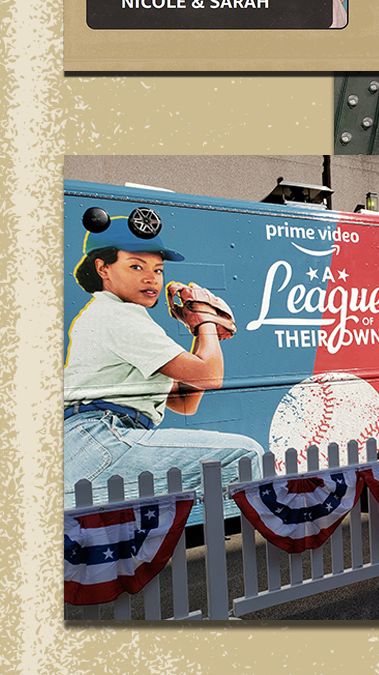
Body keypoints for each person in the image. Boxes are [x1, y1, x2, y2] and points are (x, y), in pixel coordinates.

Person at [64, 215, 261, 514]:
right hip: (99, 438)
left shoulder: (112, 314)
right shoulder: (119, 315)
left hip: (95, 443)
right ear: (102, 268)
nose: (151, 278)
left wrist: (200, 331)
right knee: (244, 455)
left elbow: (184, 402)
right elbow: (210, 375)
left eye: (158, 270)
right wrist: (205, 321)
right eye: (135, 266)